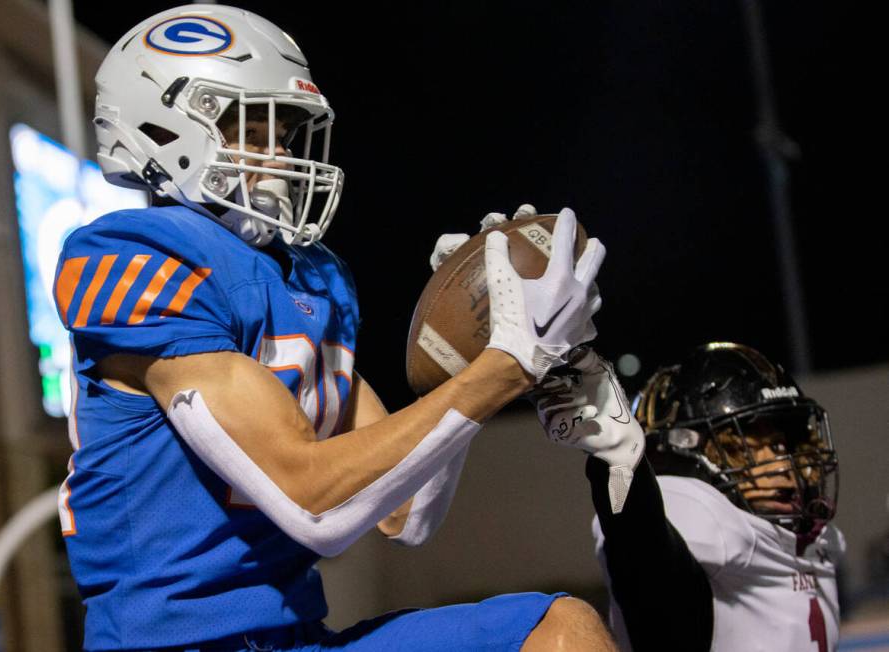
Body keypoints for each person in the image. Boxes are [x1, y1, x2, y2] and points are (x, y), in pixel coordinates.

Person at [53, 5, 616, 650]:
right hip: (171, 644)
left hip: (294, 637)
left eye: (285, 136)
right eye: (250, 129)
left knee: (559, 630)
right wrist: (504, 368)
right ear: (163, 126)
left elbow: (406, 514)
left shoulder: (309, 279)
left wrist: (478, 358)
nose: (281, 155)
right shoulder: (133, 255)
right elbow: (313, 502)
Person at [531, 341, 843, 651]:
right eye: (740, 447)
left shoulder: (814, 540)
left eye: (786, 445)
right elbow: (647, 552)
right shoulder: (705, 519)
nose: (781, 465)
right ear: (682, 455)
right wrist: (617, 459)